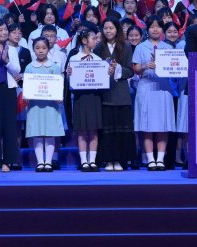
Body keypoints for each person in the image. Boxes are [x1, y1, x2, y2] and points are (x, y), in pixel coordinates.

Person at [131, 17, 175, 171]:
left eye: (158, 27)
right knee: (147, 124)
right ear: (147, 29)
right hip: (146, 87)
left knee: (163, 124)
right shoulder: (140, 47)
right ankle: (150, 159)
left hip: (163, 88)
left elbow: (175, 67)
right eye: (152, 27)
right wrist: (145, 65)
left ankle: (160, 159)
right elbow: (136, 69)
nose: (155, 29)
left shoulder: (168, 47)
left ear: (162, 30)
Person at [0, 22, 25, 173]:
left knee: (9, 126)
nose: (4, 32)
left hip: (9, 90)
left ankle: (8, 161)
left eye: (5, 30)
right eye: (0, 30)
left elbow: (17, 71)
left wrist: (7, 61)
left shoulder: (12, 49)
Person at [96, 18, 135, 171]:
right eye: (106, 28)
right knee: (107, 129)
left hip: (121, 93)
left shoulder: (126, 46)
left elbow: (130, 71)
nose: (108, 31)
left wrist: (117, 68)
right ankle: (108, 160)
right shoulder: (98, 47)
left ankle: (119, 160)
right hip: (105, 94)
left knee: (121, 129)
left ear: (117, 29)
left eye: (111, 28)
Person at [23, 37, 64, 172]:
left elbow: (59, 84)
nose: (41, 51)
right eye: (37, 48)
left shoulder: (54, 67)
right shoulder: (29, 67)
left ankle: (49, 162)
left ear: (48, 49)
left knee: (50, 133)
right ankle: (40, 162)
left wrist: (59, 96)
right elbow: (27, 86)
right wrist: (26, 95)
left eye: (44, 48)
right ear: (33, 49)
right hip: (35, 105)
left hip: (51, 105)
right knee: (37, 132)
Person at [66, 24, 104, 172]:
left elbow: (102, 80)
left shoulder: (98, 59)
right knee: (81, 130)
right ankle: (83, 161)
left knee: (93, 130)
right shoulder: (74, 58)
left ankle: (92, 161)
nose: (96, 40)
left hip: (94, 96)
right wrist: (69, 75)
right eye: (93, 38)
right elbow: (70, 82)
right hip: (80, 97)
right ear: (84, 40)